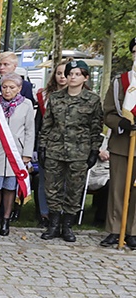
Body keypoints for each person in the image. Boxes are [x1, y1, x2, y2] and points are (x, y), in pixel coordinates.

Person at [40, 60, 103, 242]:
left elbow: (95, 128)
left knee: (74, 190)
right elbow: (47, 125)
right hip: (55, 149)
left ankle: (67, 226)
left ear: (85, 77)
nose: (73, 77)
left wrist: (94, 151)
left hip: (79, 152)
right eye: (70, 74)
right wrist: (42, 146)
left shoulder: (92, 100)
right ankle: (53, 224)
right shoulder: (55, 98)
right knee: (52, 189)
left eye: (77, 74)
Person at [0, 73, 35, 236]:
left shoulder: (27, 105)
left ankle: (6, 220)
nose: (7, 90)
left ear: (19, 89)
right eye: (4, 87)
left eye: (12, 87)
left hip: (16, 154)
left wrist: (27, 154)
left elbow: (30, 131)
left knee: (10, 188)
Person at [101, 38, 136, 248]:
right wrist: (121, 122)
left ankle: (133, 231)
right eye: (135, 51)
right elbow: (108, 113)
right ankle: (115, 229)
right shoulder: (120, 81)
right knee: (117, 189)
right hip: (122, 143)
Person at [32, 62, 69, 226]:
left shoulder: (84, 96)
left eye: (65, 73)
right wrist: (36, 146)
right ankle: (45, 214)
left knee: (66, 181)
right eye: (59, 73)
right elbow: (38, 123)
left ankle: (62, 215)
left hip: (70, 146)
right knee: (45, 180)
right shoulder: (44, 96)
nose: (62, 77)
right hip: (47, 143)